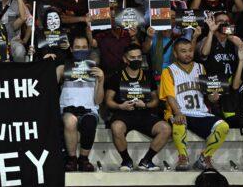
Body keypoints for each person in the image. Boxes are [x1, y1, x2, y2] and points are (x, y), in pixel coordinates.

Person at [159, 38, 230, 170]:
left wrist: (212, 97)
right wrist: (178, 112)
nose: (188, 54)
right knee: (179, 122)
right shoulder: (168, 71)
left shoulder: (200, 67)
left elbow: (206, 92)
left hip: (200, 112)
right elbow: (169, 96)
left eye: (190, 50)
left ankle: (204, 158)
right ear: (175, 54)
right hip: (180, 112)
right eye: (183, 51)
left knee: (224, 127)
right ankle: (183, 158)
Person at [106, 44, 171, 171]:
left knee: (166, 129)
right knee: (116, 127)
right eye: (132, 57)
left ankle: (146, 160)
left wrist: (145, 105)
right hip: (123, 113)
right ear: (125, 59)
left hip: (144, 113)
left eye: (139, 57)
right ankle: (126, 160)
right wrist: (120, 106)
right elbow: (108, 101)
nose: (136, 60)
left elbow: (155, 100)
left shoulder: (147, 75)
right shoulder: (116, 76)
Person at [55, 34, 104, 172]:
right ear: (71, 49)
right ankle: (71, 159)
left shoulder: (95, 70)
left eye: (83, 47)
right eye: (77, 47)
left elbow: (99, 100)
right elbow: (49, 88)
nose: (80, 50)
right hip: (67, 108)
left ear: (88, 49)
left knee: (89, 122)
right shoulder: (63, 68)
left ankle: (83, 159)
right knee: (70, 121)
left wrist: (101, 80)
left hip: (89, 109)